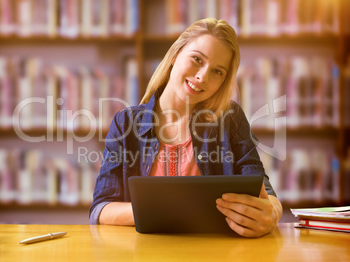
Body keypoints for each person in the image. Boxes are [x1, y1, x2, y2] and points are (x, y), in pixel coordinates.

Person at [89, 18, 283, 238]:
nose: (202, 77)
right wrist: (167, 209)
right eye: (197, 59)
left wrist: (274, 212)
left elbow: (263, 191)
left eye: (218, 72)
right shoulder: (125, 123)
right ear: (175, 55)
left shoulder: (229, 117)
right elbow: (100, 210)